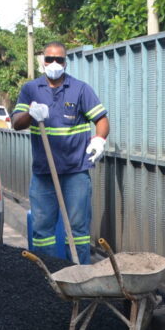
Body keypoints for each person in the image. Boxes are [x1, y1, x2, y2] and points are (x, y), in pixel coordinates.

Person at [12, 42, 109, 264]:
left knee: (78, 229)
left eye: (59, 60)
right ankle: (50, 275)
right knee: (42, 229)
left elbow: (101, 120)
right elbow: (16, 123)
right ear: (42, 61)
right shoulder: (31, 89)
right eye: (49, 59)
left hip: (76, 170)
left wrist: (99, 139)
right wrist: (31, 113)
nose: (54, 64)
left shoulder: (80, 89)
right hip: (44, 171)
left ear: (66, 62)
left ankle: (79, 276)